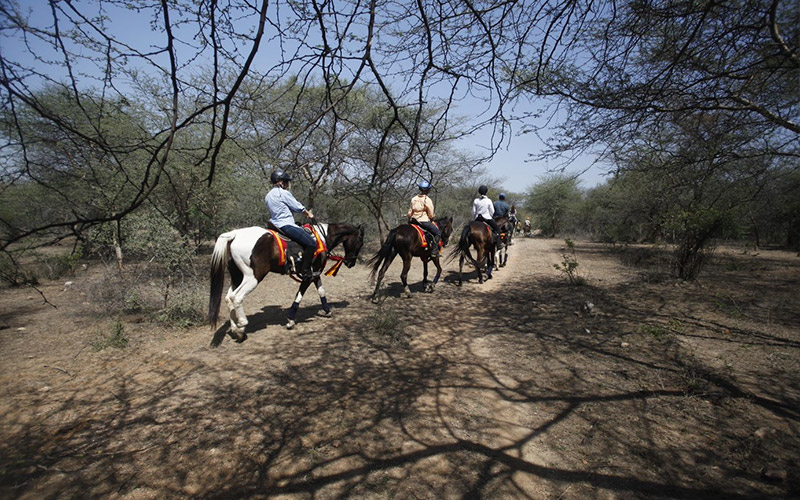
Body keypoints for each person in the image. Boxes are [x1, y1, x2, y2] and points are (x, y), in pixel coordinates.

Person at [265, 169, 317, 280]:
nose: (287, 184)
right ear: (280, 181)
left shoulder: (268, 195)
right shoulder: (283, 193)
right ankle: (306, 271)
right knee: (311, 244)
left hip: (274, 224)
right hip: (286, 224)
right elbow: (297, 206)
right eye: (286, 181)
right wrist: (308, 214)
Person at [408, 180, 442, 258]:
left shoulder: (414, 198)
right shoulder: (427, 200)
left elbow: (410, 211)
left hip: (413, 220)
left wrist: (410, 218)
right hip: (423, 221)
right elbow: (430, 213)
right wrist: (432, 217)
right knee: (438, 233)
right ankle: (434, 251)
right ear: (428, 190)